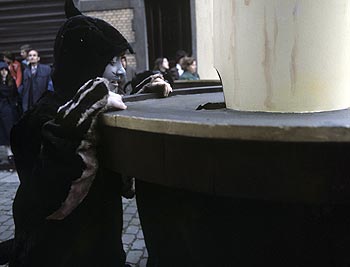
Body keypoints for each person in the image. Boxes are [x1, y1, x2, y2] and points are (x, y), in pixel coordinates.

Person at [0, 0, 171, 266]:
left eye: (121, 60)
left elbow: (123, 181)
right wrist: (82, 113)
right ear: (84, 65)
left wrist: (141, 101)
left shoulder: (98, 107)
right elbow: (47, 201)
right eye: (110, 61)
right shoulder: (37, 119)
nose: (121, 70)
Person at [0, 61, 18, 170]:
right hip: (1, 109)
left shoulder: (11, 82)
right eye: (1, 70)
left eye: (5, 70)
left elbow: (15, 94)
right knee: (3, 134)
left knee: (9, 132)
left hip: (9, 110)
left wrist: (14, 105)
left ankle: (11, 156)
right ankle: (8, 155)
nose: (3, 72)